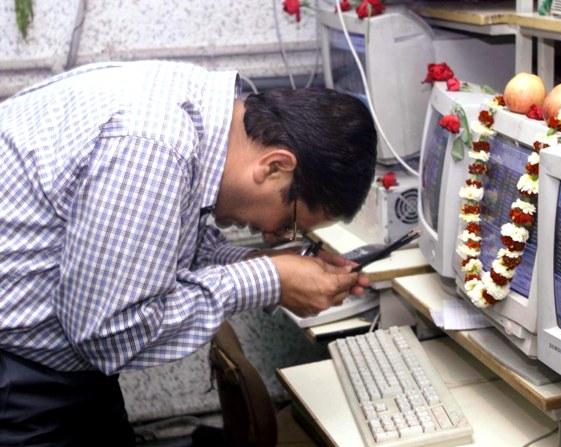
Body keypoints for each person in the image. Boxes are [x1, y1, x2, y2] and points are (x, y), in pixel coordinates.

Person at [0, 60, 377, 446]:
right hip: (17, 380)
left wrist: (266, 265)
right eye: (292, 222)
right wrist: (271, 279)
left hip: (55, 370)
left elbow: (157, 247)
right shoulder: (152, 145)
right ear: (275, 166)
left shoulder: (201, 114)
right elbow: (107, 331)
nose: (273, 235)